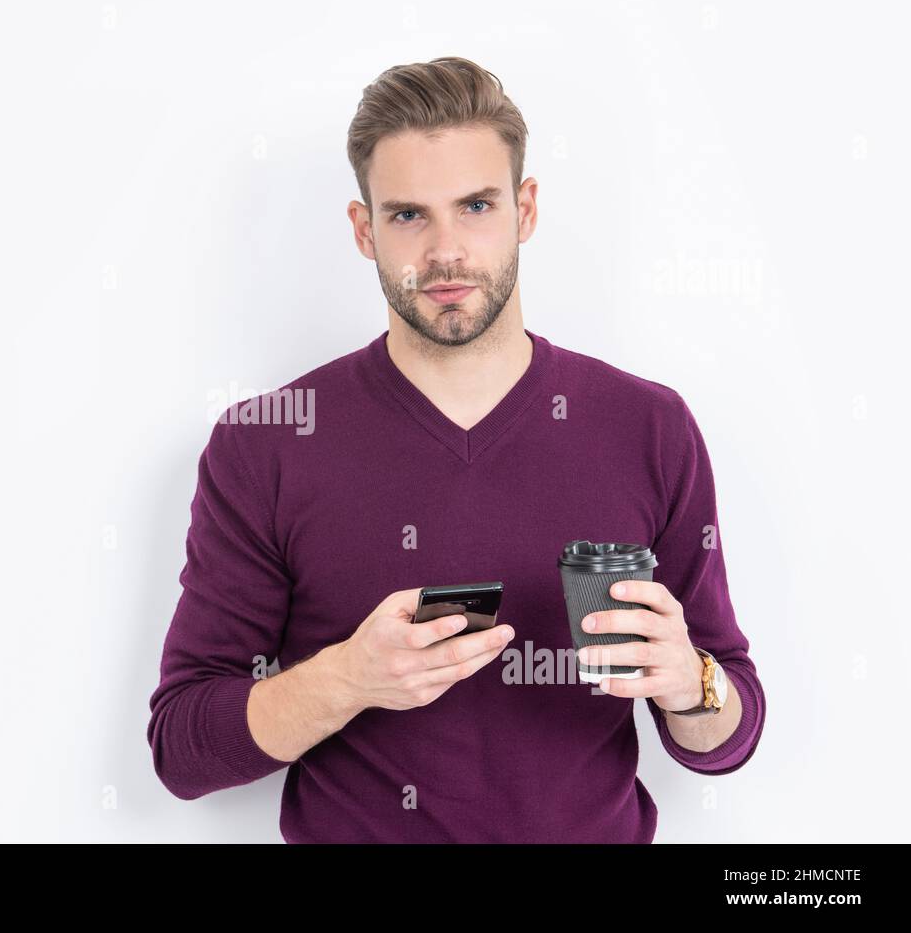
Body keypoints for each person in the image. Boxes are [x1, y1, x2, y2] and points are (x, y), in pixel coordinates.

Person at [146, 56, 766, 843]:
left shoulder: (649, 425)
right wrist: (348, 679)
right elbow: (183, 749)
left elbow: (728, 734)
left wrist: (690, 684)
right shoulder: (265, 443)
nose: (445, 251)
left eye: (475, 205)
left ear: (525, 208)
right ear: (364, 229)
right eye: (408, 215)